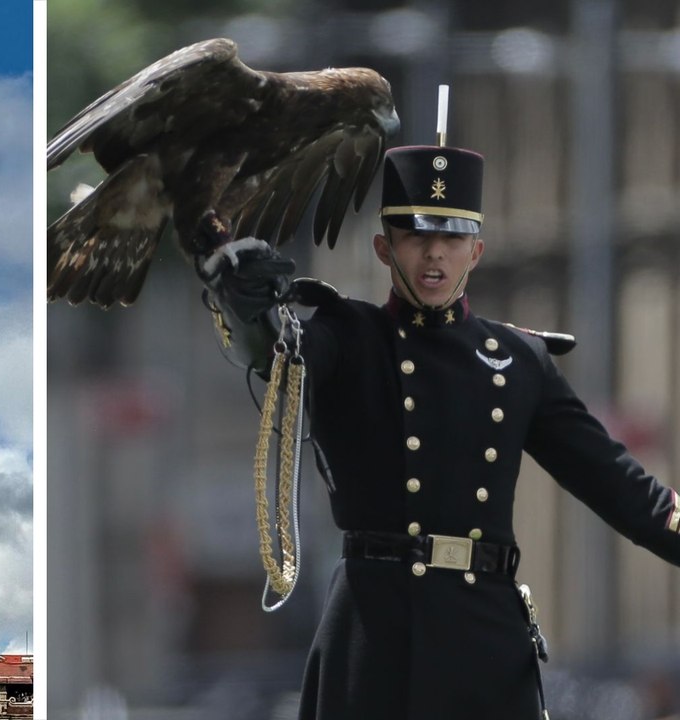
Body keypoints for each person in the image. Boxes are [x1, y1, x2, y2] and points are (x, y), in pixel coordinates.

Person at [202, 142, 680, 720]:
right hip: (374, 635)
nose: (434, 256)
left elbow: (622, 487)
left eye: (452, 239)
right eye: (416, 238)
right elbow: (278, 354)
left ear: (476, 250)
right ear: (385, 247)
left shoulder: (520, 359)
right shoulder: (349, 334)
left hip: (485, 639)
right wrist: (242, 306)